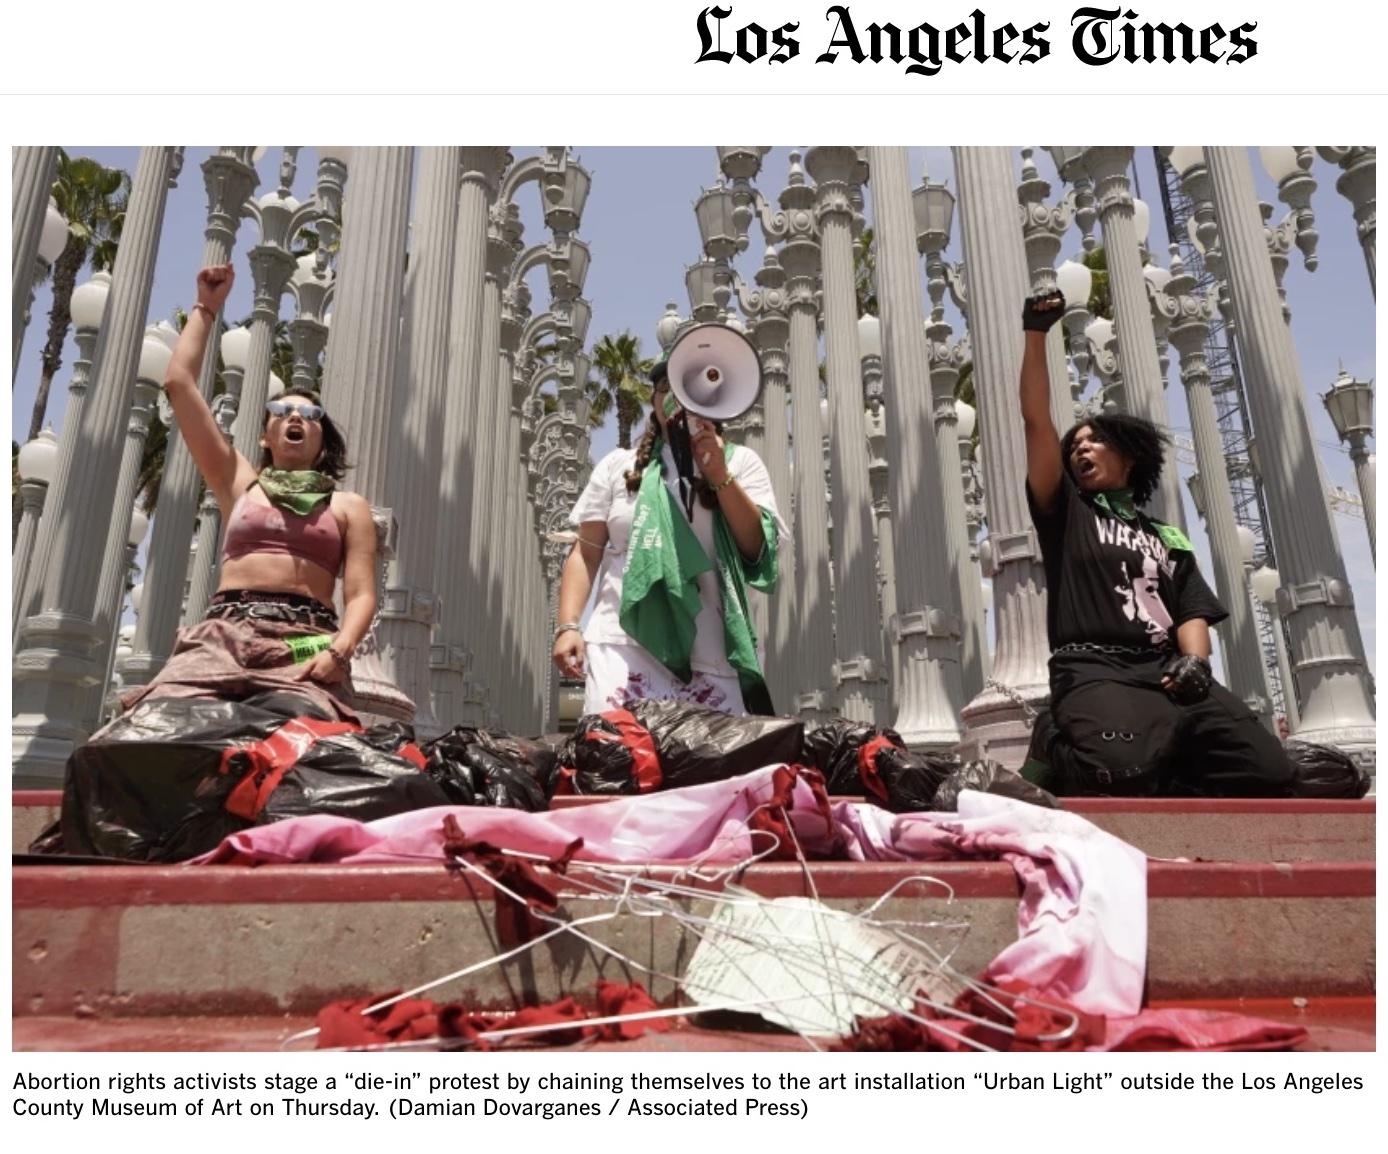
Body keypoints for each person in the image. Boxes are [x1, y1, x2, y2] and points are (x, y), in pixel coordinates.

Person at [1018, 290, 1293, 797]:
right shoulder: (1066, 512)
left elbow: (1190, 607)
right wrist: (1036, 334)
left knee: (1270, 773)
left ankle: (1162, 765)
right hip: (1096, 669)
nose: (1080, 449)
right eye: (1074, 446)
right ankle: (1054, 738)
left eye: (1093, 440)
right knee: (1116, 772)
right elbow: (1037, 421)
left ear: (1129, 456)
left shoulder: (1164, 534)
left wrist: (1196, 663)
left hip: (1167, 671)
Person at [114, 264, 377, 724]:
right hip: (223, 632)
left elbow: (360, 595)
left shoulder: (347, 506)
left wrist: (338, 652)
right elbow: (179, 384)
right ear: (265, 436)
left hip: (305, 636)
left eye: (310, 413)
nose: (296, 417)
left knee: (305, 738)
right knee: (155, 726)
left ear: (321, 437)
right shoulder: (239, 480)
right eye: (282, 410)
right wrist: (206, 307)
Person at [553, 358, 787, 716]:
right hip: (622, 646)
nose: (675, 400)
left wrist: (719, 475)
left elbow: (756, 548)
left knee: (712, 771)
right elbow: (586, 553)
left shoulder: (742, 463)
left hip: (712, 656)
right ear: (655, 401)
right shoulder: (619, 466)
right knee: (621, 762)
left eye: (688, 391)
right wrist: (568, 626)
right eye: (665, 390)